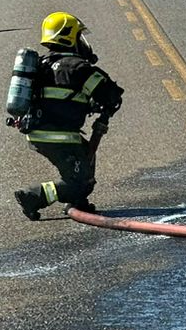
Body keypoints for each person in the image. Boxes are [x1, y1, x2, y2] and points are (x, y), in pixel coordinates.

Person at [12, 13, 124, 219]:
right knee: (79, 183)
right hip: (58, 136)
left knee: (85, 164)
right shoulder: (77, 68)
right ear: (69, 37)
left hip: (38, 131)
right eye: (79, 36)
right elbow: (110, 93)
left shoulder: (42, 63)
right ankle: (32, 196)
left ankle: (79, 201)